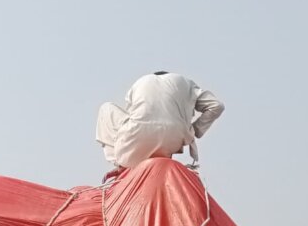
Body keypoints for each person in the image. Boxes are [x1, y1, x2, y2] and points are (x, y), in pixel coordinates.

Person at [96, 71, 224, 170]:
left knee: (106, 109)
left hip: (137, 136)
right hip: (175, 138)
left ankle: (119, 166)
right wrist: (194, 130)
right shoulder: (187, 83)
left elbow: (132, 113)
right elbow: (216, 106)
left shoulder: (140, 82)